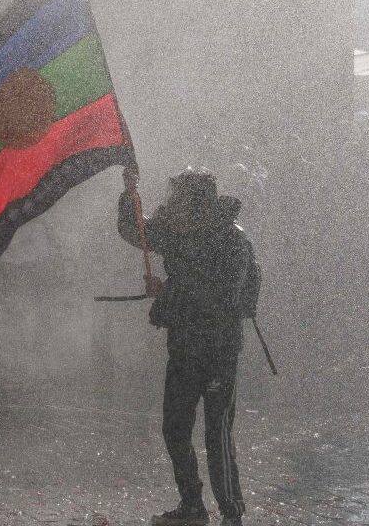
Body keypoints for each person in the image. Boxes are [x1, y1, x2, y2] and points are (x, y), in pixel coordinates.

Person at [118, 165, 252, 526]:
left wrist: (167, 294)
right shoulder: (179, 233)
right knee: (175, 427)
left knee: (217, 431)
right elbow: (135, 230)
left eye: (179, 198)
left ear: (198, 203)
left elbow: (219, 298)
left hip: (217, 352)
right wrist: (128, 190)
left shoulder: (233, 242)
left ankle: (231, 514)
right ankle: (192, 506)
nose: (172, 204)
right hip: (183, 350)